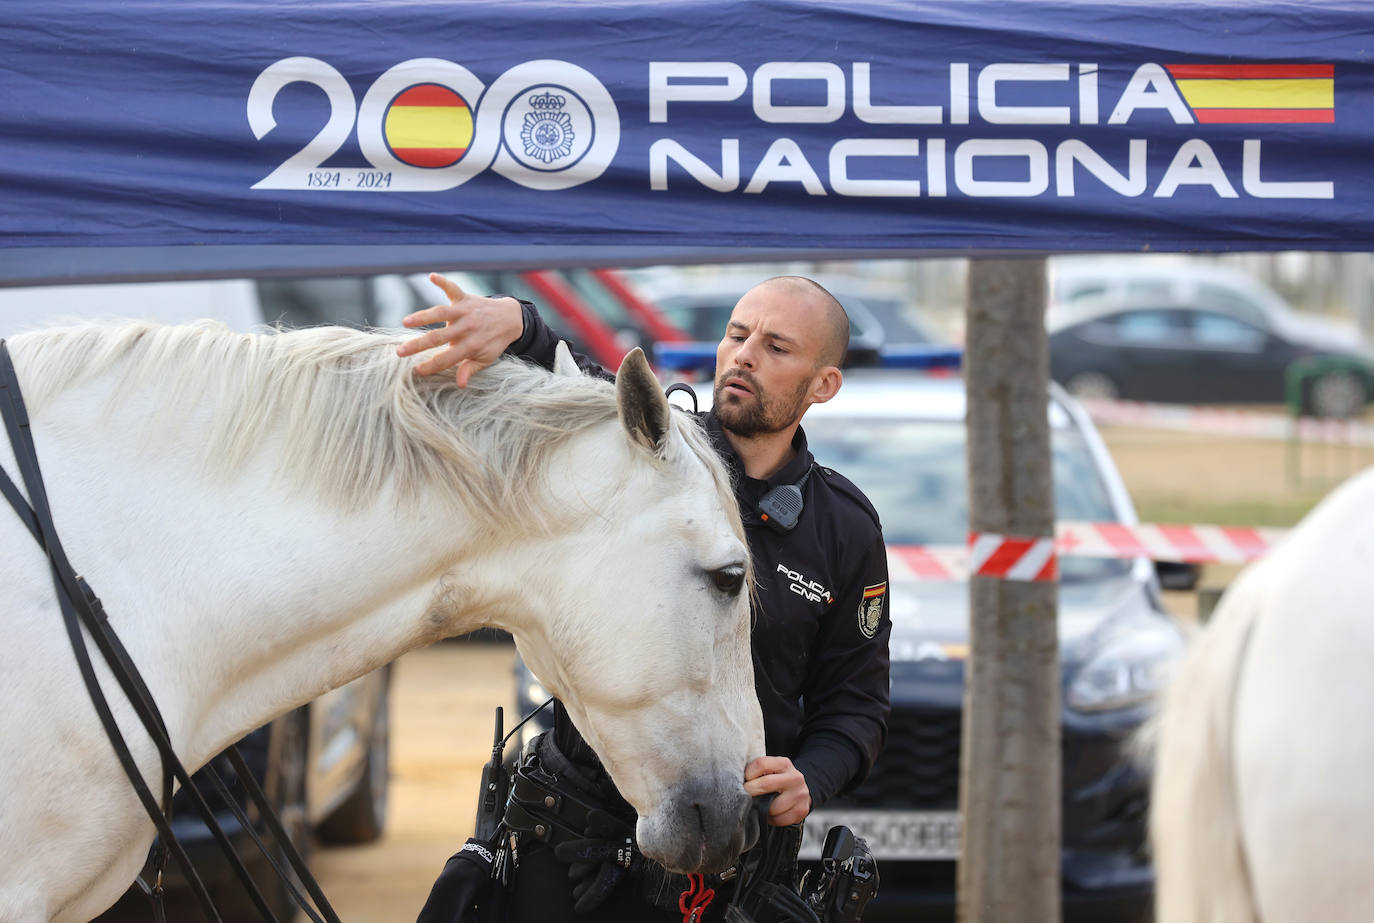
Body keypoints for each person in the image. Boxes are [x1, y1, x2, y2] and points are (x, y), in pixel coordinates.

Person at [401, 273, 891, 922]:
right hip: (572, 842)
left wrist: (811, 776)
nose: (744, 355)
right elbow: (587, 385)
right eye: (737, 335)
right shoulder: (648, 456)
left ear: (823, 383)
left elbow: (856, 702)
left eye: (777, 347)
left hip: (729, 858)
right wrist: (521, 324)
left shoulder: (845, 528)